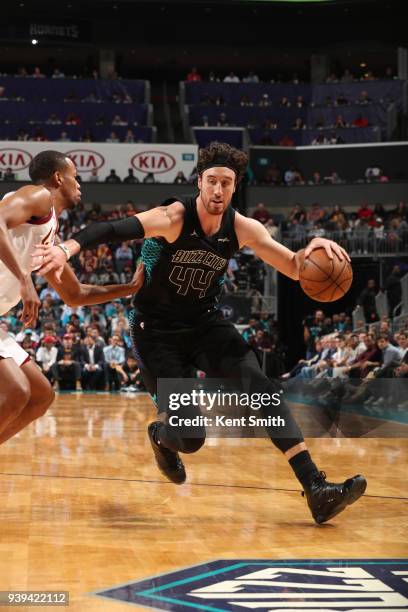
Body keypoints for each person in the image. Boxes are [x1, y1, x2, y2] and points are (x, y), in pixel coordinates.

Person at [35, 142, 366, 524]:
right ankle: (162, 436)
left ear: (235, 185)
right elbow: (111, 228)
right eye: (211, 181)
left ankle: (315, 488)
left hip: (205, 325)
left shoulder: (243, 228)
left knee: (260, 385)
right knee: (190, 438)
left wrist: (312, 246)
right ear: (200, 182)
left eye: (226, 183)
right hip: (156, 333)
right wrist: (67, 248)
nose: (218, 190)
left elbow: (293, 266)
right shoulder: (174, 216)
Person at [0, 150, 144, 446]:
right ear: (58, 178)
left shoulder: (48, 235)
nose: (79, 184)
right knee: (17, 391)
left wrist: (129, 288)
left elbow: (75, 294)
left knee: (41, 396)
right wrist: (25, 280)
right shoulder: (38, 196)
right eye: (75, 177)